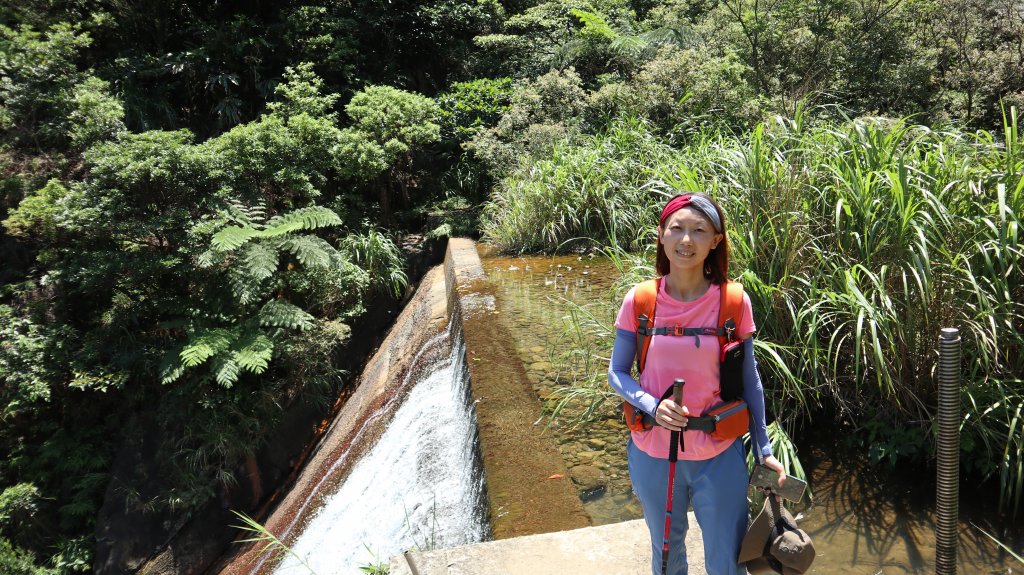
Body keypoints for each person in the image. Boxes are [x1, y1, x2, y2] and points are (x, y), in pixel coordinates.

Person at [608, 193, 786, 575]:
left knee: (727, 560)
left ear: (716, 241)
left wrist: (763, 449)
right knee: (667, 555)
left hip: (719, 454)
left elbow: (750, 381)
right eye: (676, 229)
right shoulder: (640, 300)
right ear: (661, 234)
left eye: (699, 231)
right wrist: (653, 405)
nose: (685, 240)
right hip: (654, 452)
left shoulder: (732, 302)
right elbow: (617, 373)